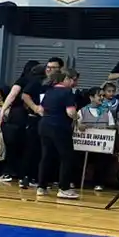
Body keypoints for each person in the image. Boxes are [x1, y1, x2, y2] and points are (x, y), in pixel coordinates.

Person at [36, 68, 81, 199]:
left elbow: (41, 109)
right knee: (66, 157)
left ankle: (41, 186)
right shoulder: (67, 92)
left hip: (44, 125)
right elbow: (71, 113)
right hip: (59, 127)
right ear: (66, 79)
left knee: (46, 156)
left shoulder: (49, 91)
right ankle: (64, 188)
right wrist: (76, 118)